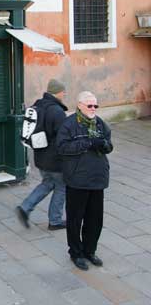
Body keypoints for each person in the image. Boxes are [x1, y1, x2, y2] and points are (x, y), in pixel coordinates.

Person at [56, 91, 113, 271]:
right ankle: (76, 253)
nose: (93, 109)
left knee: (95, 220)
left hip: (97, 179)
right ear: (80, 105)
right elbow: (62, 148)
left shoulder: (100, 124)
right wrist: (88, 143)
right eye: (90, 105)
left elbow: (109, 145)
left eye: (96, 105)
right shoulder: (69, 124)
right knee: (75, 220)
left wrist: (105, 146)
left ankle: (90, 250)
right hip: (77, 180)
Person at [16, 79, 68, 230]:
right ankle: (55, 221)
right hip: (54, 159)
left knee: (48, 183)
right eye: (63, 91)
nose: (64, 94)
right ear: (58, 92)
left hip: (40, 156)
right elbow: (62, 137)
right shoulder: (57, 111)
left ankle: (25, 207)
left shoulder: (38, 105)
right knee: (61, 186)